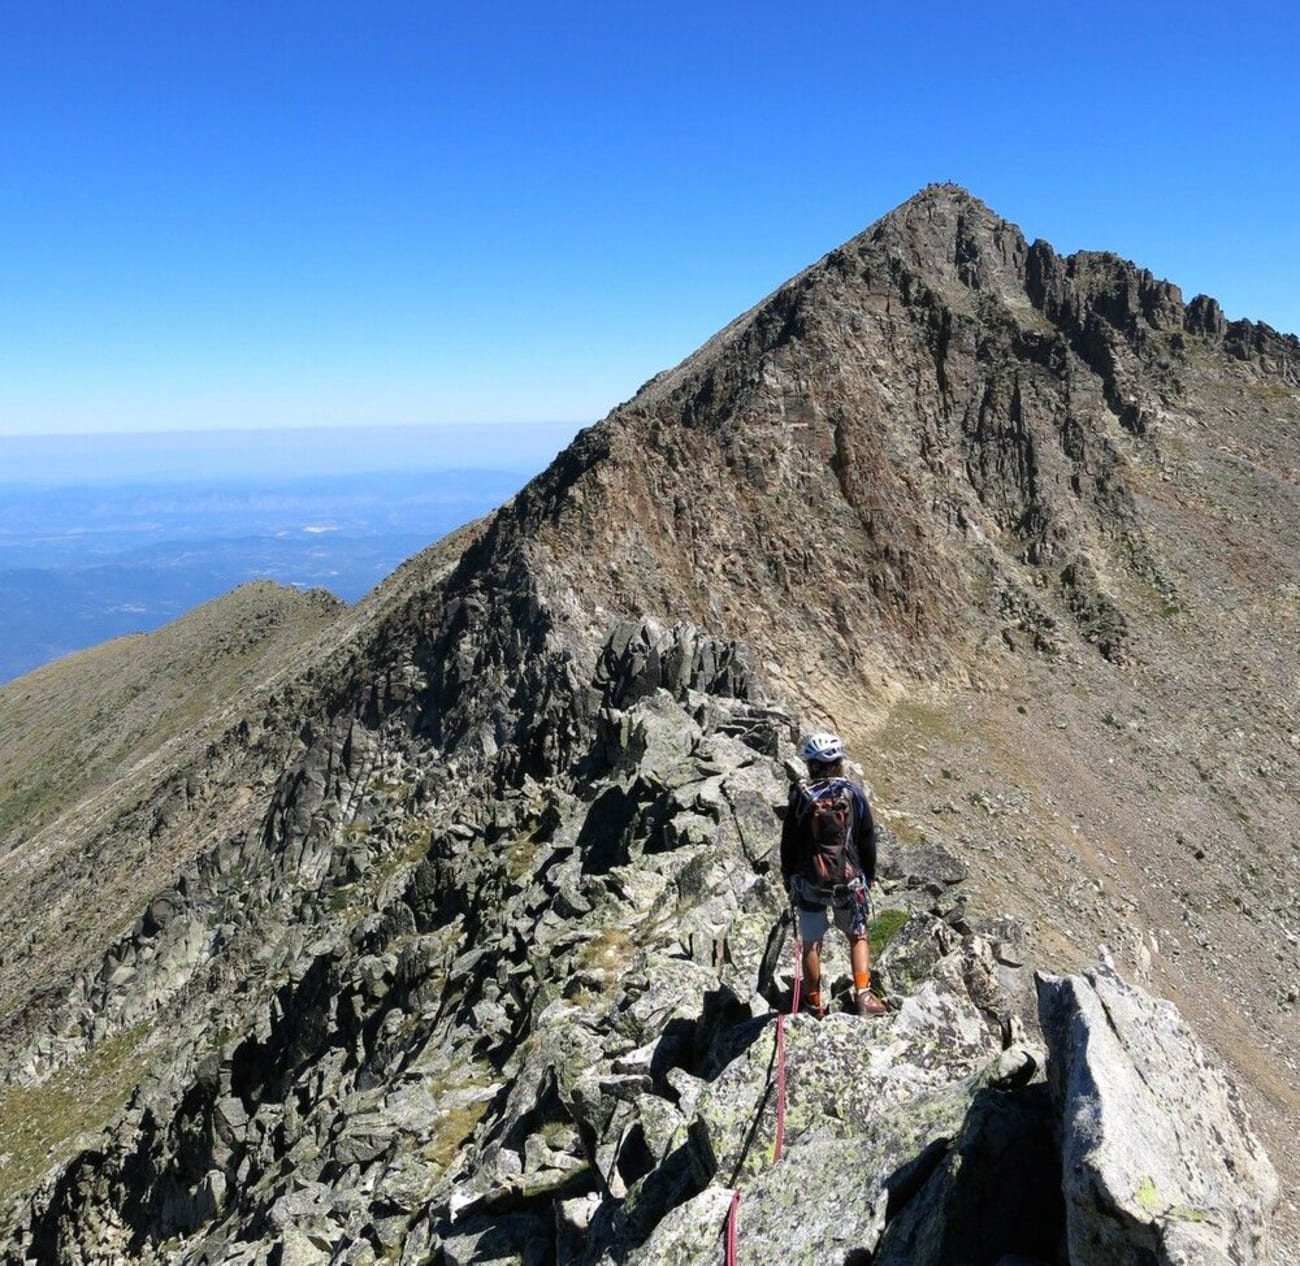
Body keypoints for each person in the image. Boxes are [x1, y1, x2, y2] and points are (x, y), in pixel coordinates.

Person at [780, 730, 887, 1017]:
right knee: (858, 935)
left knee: (812, 942)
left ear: (811, 765)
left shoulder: (801, 796)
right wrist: (869, 874)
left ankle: (814, 1003)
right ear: (838, 762)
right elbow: (866, 839)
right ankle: (863, 995)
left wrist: (788, 876)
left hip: (810, 882)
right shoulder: (853, 794)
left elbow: (788, 841)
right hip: (848, 882)